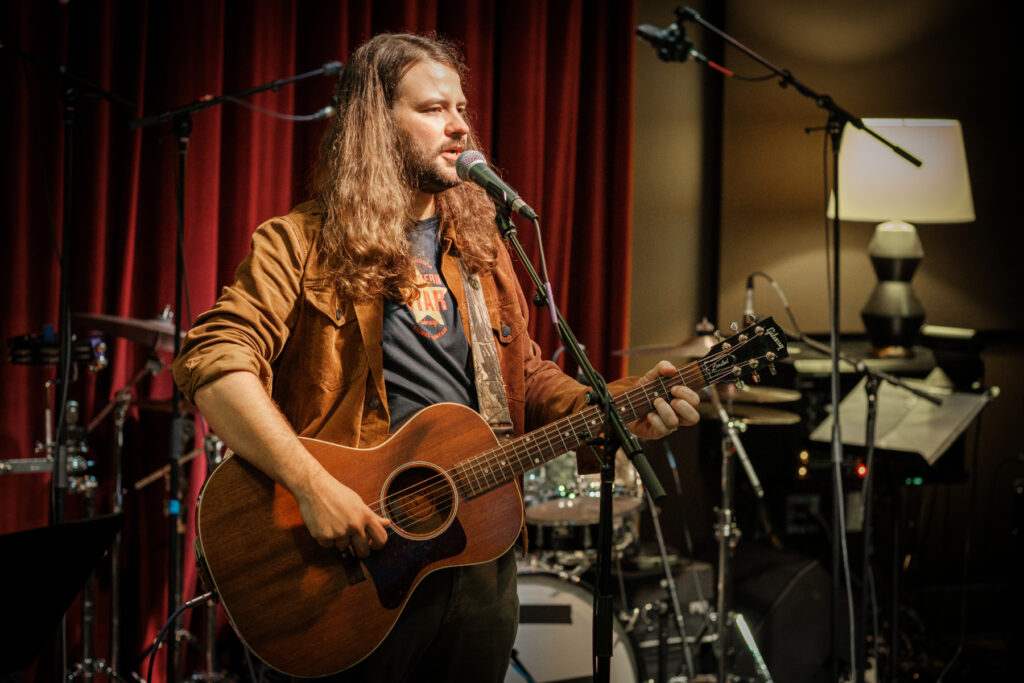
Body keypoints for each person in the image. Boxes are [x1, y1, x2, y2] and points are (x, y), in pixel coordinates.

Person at [173, 32, 700, 682]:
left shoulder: (482, 247)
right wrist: (313, 486)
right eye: (432, 109)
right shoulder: (299, 243)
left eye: (461, 108)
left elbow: (525, 376)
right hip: (348, 567)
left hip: (477, 554)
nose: (459, 127)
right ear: (375, 124)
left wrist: (616, 408)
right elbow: (215, 361)